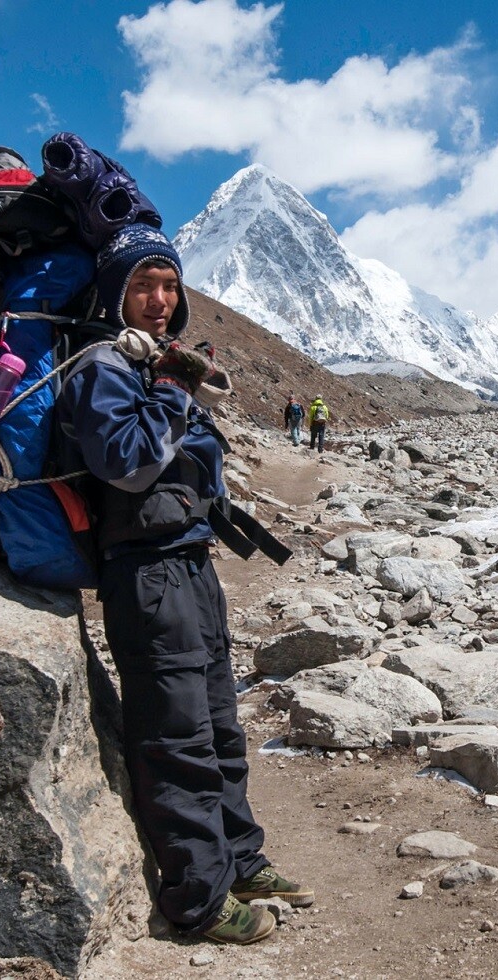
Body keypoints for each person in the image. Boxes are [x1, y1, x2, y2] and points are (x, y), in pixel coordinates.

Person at [58, 224, 314, 945]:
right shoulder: (101, 368)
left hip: (190, 566)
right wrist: (173, 388)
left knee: (219, 724)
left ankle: (241, 857)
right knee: (176, 736)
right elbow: (130, 464)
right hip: (144, 573)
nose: (161, 299)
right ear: (116, 293)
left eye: (169, 285)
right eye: (144, 284)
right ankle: (197, 898)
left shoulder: (151, 365)